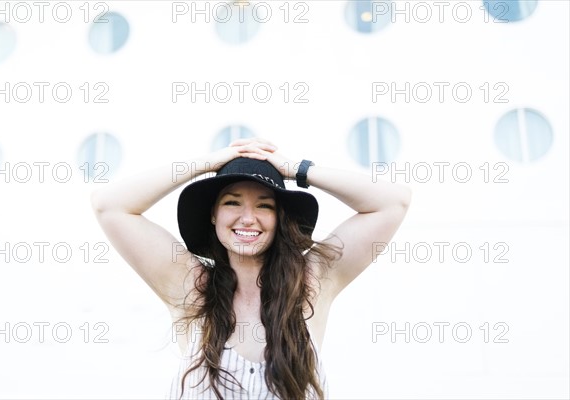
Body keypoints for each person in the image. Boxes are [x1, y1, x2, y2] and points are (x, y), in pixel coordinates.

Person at [90, 138, 411, 399]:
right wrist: (206, 165)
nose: (247, 218)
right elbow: (110, 205)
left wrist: (297, 170)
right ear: (213, 215)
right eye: (231, 202)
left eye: (264, 205)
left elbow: (392, 202)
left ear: (279, 218)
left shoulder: (311, 282)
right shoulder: (190, 286)